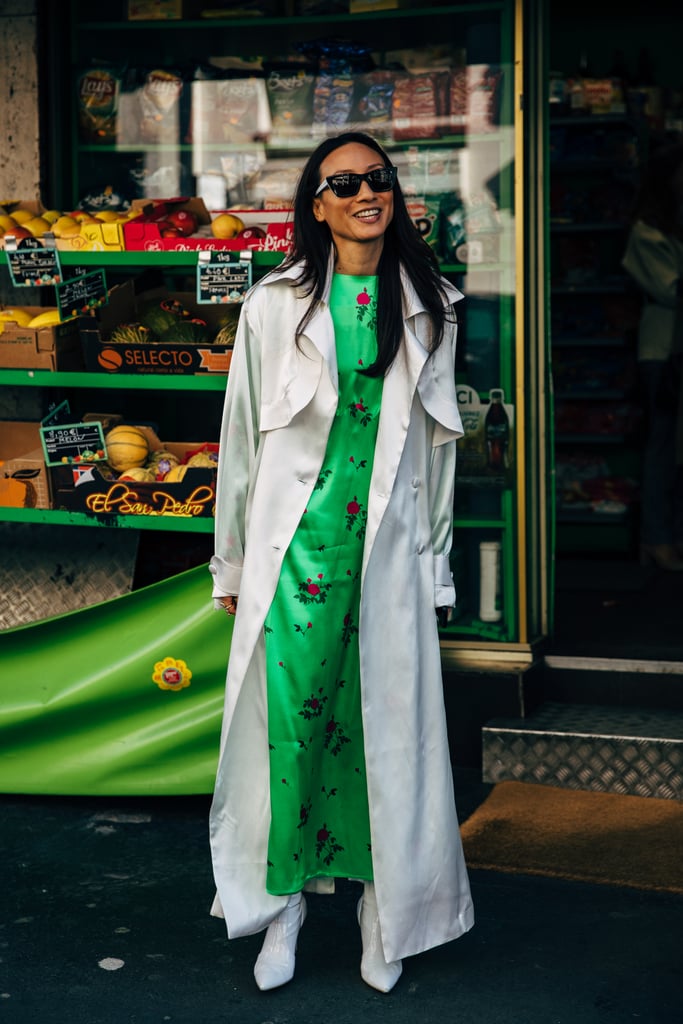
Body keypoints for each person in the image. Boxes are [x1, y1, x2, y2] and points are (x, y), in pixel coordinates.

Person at [208, 130, 474, 994]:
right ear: (316, 205)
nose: (367, 193)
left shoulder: (431, 305)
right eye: (345, 182)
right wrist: (231, 564)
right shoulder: (271, 306)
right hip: (294, 572)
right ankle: (281, 907)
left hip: (384, 565)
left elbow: (437, 455)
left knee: (380, 740)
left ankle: (380, 911)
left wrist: (434, 568)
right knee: (293, 737)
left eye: (379, 179)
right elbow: (240, 444)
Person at [622, 140, 683, 570]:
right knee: (663, 444)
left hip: (670, 347)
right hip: (663, 350)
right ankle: (657, 537)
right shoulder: (648, 231)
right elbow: (671, 289)